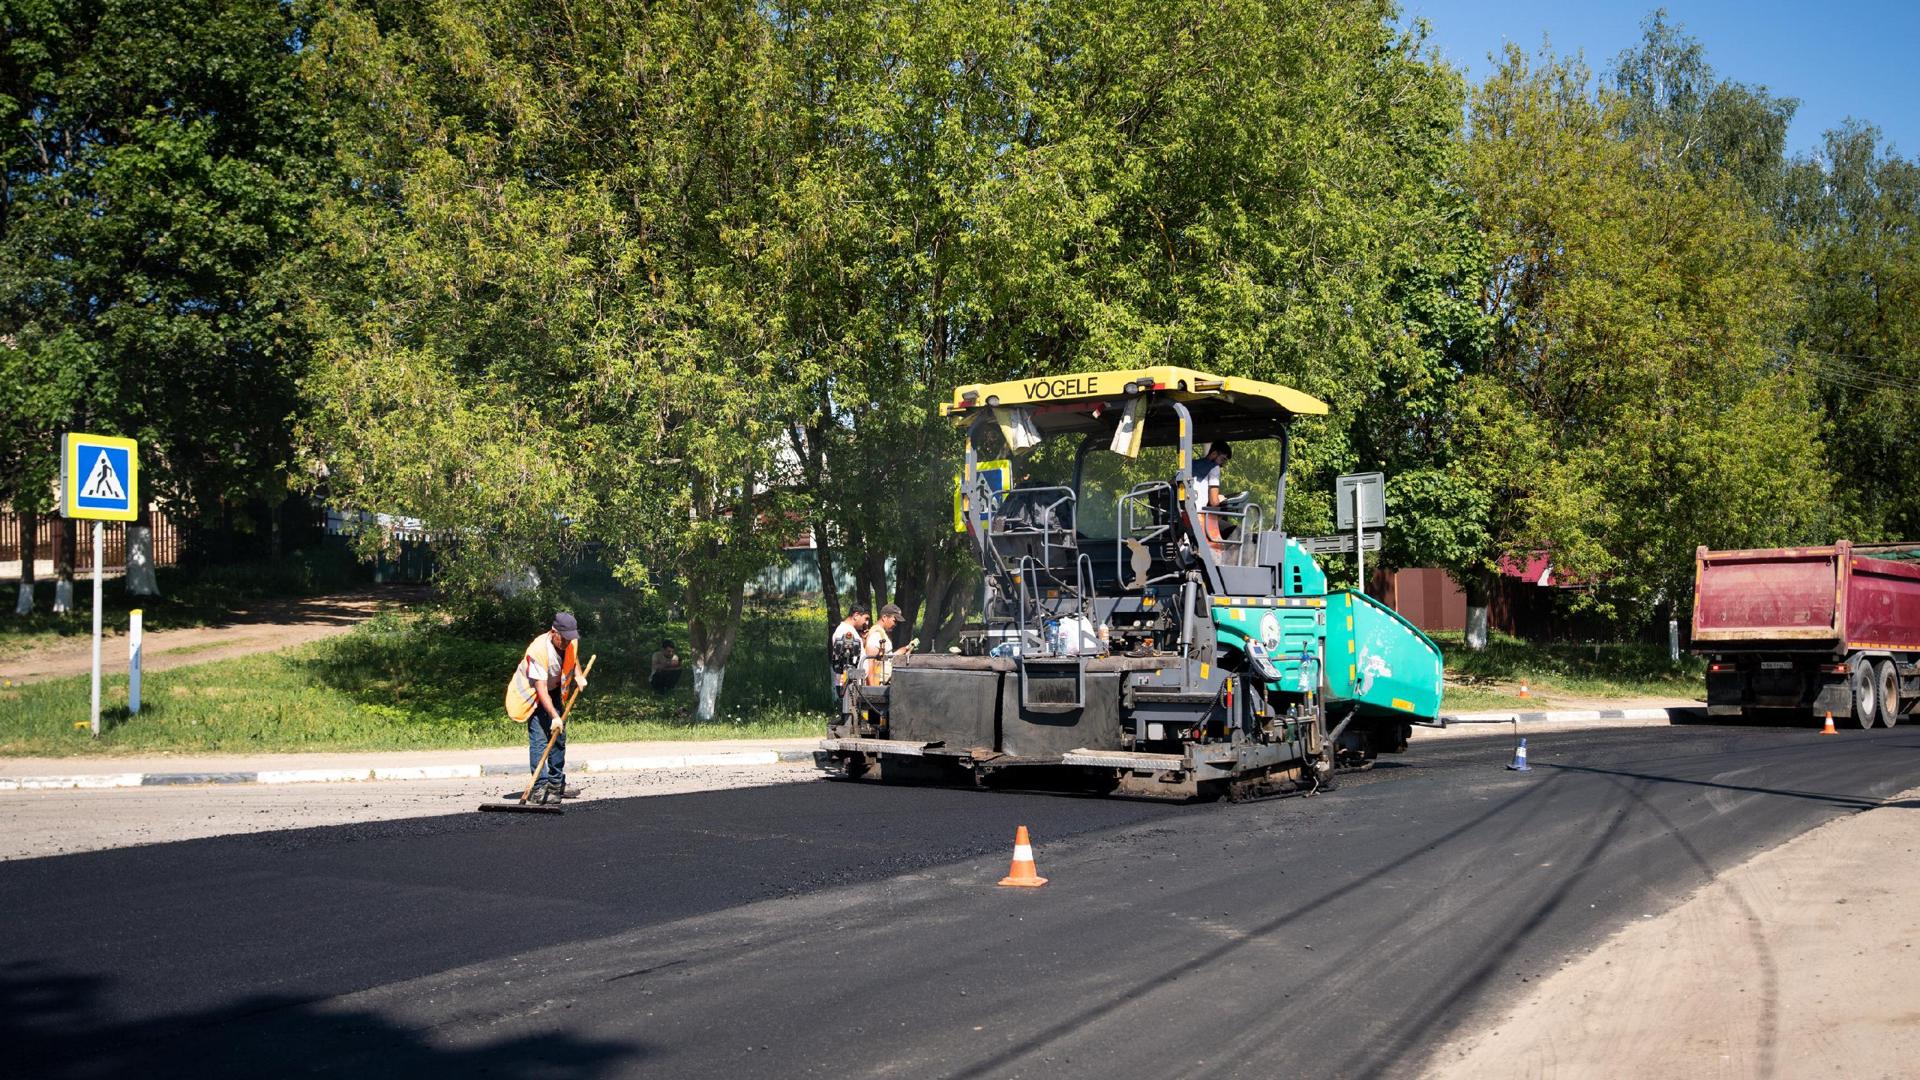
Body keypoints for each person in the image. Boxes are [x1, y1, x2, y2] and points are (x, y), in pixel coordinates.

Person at [503, 612, 587, 802]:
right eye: (564, 639)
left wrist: (578, 675)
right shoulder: (538, 650)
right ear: (553, 632)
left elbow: (573, 656)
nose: (567, 642)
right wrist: (554, 716)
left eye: (570, 638)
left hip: (555, 690)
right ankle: (539, 787)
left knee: (559, 736)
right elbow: (541, 689)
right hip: (534, 695)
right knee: (540, 739)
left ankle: (556, 784)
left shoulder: (570, 640)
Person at [1191, 440, 1233, 559]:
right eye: (1223, 459)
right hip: (1200, 518)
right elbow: (1214, 503)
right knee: (1235, 531)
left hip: (1184, 516)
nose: (1223, 464)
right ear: (1214, 454)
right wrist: (1221, 499)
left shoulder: (1190, 464)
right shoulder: (1214, 468)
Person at [830, 605, 870, 710]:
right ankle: (880, 724)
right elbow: (846, 659)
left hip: (852, 682)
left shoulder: (849, 630)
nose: (866, 623)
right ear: (856, 615)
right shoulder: (845, 631)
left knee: (858, 716)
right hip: (849, 683)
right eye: (865, 619)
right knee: (858, 715)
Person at [864, 603, 914, 686]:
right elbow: (870, 664)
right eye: (894, 621)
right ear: (884, 617)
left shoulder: (883, 634)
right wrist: (872, 691)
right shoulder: (876, 635)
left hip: (884, 683)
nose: (895, 624)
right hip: (877, 685)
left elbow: (888, 656)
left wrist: (906, 648)